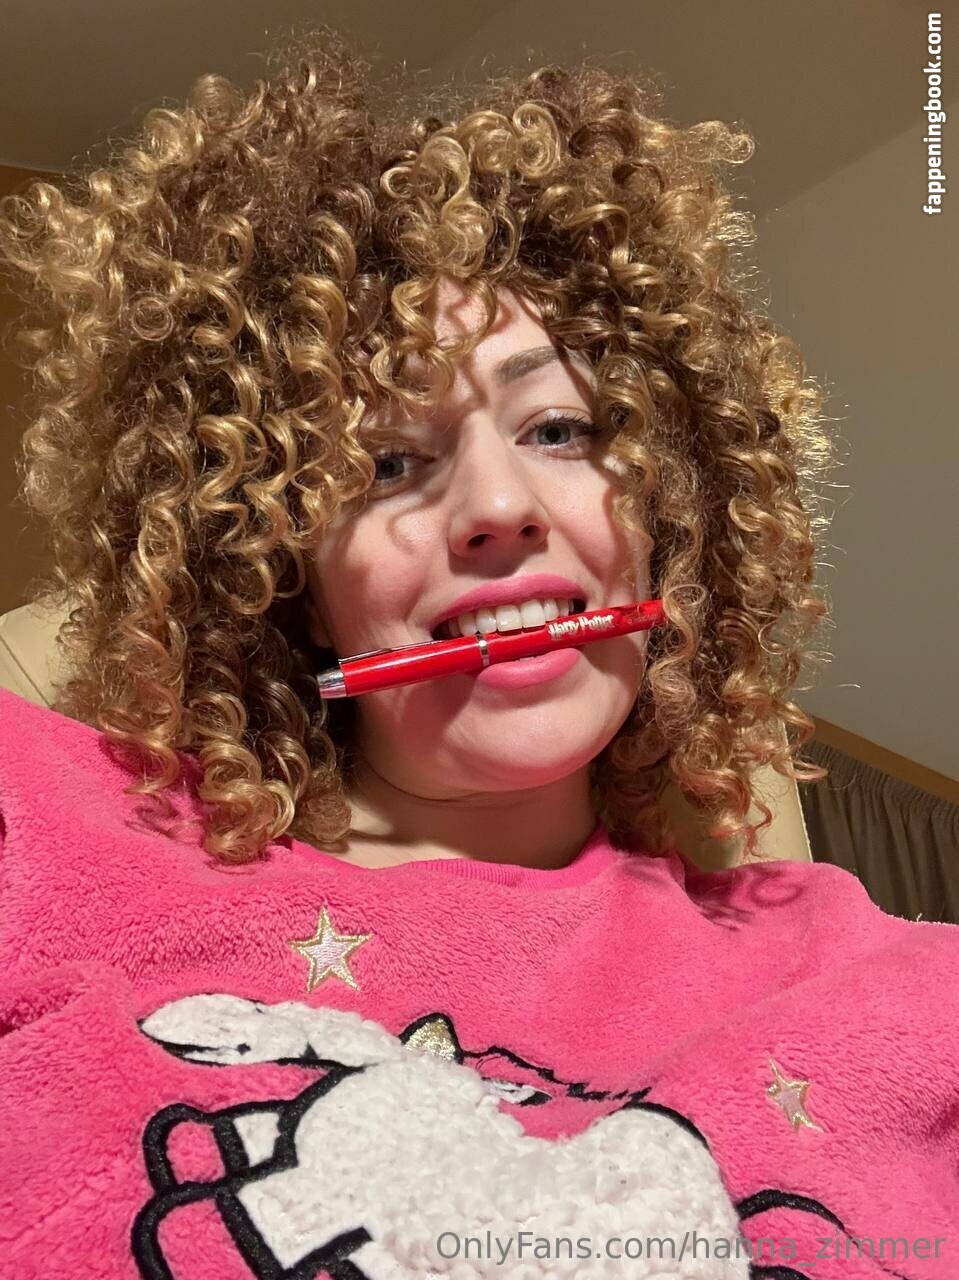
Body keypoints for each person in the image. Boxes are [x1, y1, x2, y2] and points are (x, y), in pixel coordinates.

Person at [0, 25, 956, 1280]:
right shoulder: (40, 819)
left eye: (557, 426)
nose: (497, 504)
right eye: (387, 461)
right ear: (287, 576)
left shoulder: (862, 971)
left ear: (665, 516)